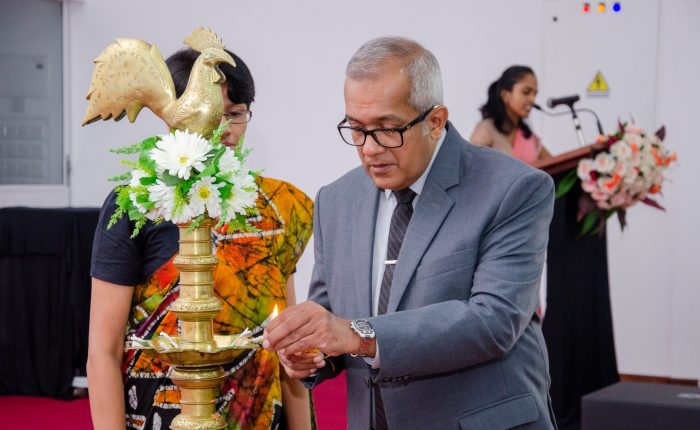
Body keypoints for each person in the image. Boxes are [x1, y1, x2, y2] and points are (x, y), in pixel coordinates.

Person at [263, 37, 557, 430]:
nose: (369, 149)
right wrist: (310, 351)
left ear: (435, 121)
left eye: (387, 129)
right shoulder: (337, 200)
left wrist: (356, 335)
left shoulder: (511, 188)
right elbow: (333, 317)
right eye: (356, 128)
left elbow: (494, 321)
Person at [87, 47, 315, 430]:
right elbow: (103, 352)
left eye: (236, 113)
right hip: (160, 414)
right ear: (173, 117)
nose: (224, 128)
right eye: (210, 112)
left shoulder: (276, 206)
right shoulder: (139, 204)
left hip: (256, 415)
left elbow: (285, 348)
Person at [470, 65, 551, 164]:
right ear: (505, 95)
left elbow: (557, 164)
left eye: (535, 94)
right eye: (526, 92)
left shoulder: (530, 137)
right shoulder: (486, 129)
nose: (532, 99)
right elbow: (472, 166)